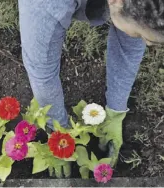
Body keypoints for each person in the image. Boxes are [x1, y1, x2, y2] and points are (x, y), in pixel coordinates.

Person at [18, 0, 164, 177]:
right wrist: (57, 131)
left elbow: (131, 42)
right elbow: (42, 72)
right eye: (147, 39)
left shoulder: (143, 5)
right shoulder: (45, 5)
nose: (147, 44)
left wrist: (116, 111)